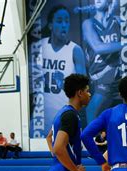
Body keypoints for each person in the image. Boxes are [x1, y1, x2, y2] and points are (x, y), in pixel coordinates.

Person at [39, 5, 87, 136]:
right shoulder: (41, 46)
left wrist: (64, 83)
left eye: (67, 21)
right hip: (42, 114)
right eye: (59, 21)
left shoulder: (75, 50)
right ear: (50, 25)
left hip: (65, 112)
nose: (64, 25)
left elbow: (83, 85)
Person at [82, 0, 122, 126]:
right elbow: (98, 47)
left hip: (117, 77)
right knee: (92, 112)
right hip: (100, 79)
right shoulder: (88, 23)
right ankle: (92, 143)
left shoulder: (118, 22)